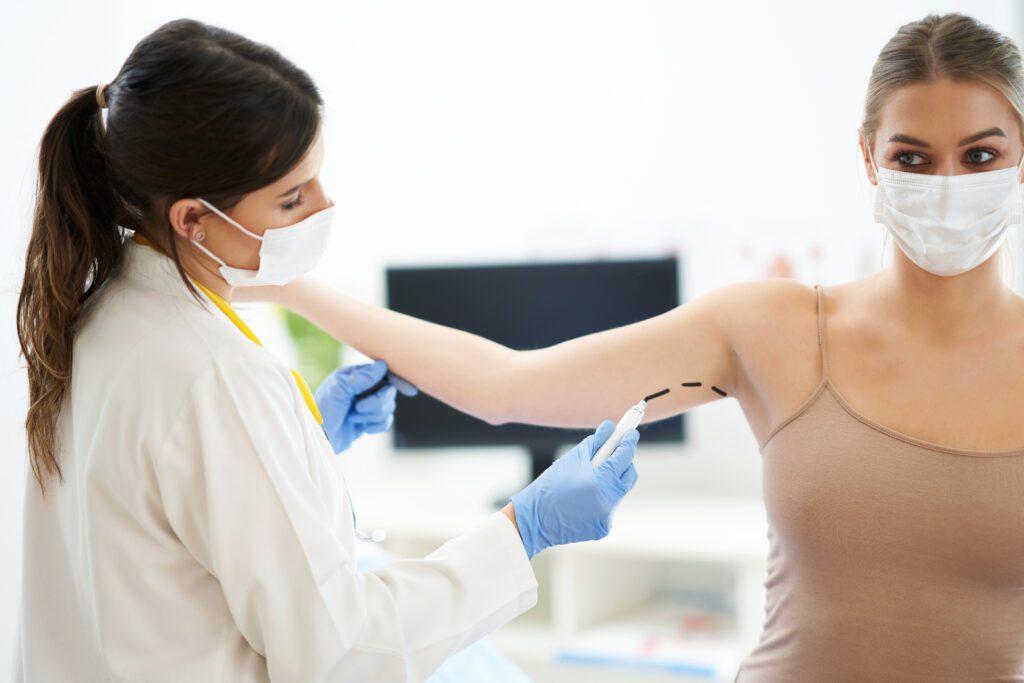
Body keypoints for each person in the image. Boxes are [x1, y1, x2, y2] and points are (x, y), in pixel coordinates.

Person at [252, 12, 1024, 681]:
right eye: (913, 158)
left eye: (981, 155)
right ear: (868, 159)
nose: (947, 184)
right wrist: (283, 282)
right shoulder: (774, 329)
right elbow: (506, 384)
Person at [13, 19, 639, 682]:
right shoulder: (214, 372)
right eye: (292, 198)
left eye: (317, 179)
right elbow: (343, 653)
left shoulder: (94, 315)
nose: (324, 205)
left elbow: (152, 520)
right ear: (191, 218)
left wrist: (300, 445)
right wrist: (524, 527)